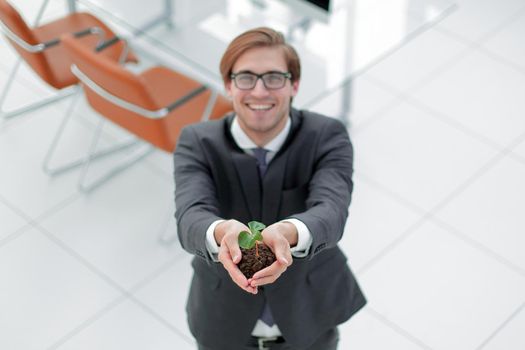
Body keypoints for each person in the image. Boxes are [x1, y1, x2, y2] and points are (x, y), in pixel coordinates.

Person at [174, 27, 366, 350]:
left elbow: (331, 210)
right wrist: (222, 233)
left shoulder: (327, 136)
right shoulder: (196, 142)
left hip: (310, 320)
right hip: (223, 322)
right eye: (246, 78)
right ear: (228, 85)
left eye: (274, 78)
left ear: (294, 85)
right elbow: (191, 216)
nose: (260, 92)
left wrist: (290, 231)